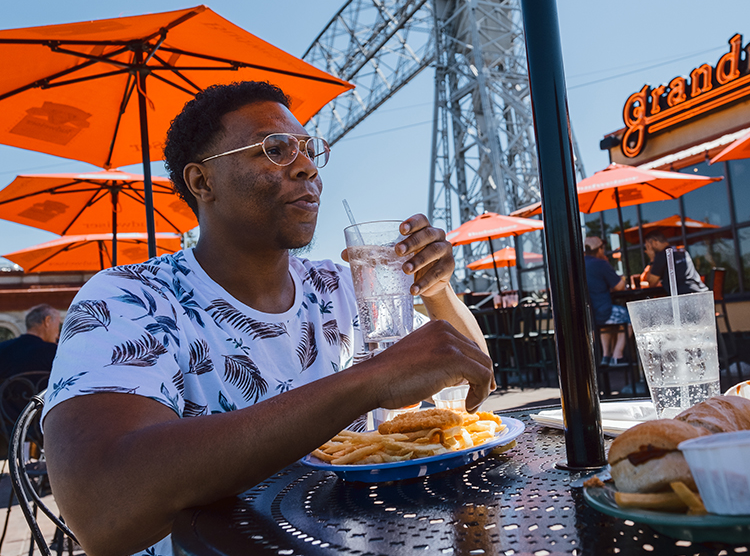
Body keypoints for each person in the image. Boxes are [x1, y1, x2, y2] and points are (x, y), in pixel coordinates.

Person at [41, 81, 495, 556]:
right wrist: (370, 380)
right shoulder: (134, 298)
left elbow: (472, 383)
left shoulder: (339, 287)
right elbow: (100, 511)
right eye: (274, 150)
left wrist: (438, 290)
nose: (306, 167)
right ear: (202, 182)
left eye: (308, 149)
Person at [583, 236, 629, 367]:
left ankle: (606, 356)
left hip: (590, 316)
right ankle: (617, 356)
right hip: (603, 312)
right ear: (600, 249)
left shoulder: (579, 265)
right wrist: (623, 278)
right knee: (631, 318)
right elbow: (619, 286)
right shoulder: (600, 263)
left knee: (607, 324)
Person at [0, 304, 60, 381]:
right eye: (58, 325)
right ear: (47, 321)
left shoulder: (3, 349)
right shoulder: (55, 353)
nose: (58, 333)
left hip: (9, 393)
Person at [644, 230, 708, 294]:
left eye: (647, 246)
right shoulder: (681, 250)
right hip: (701, 291)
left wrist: (652, 259)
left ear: (654, 242)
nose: (647, 249)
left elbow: (652, 283)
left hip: (684, 297)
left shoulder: (662, 255)